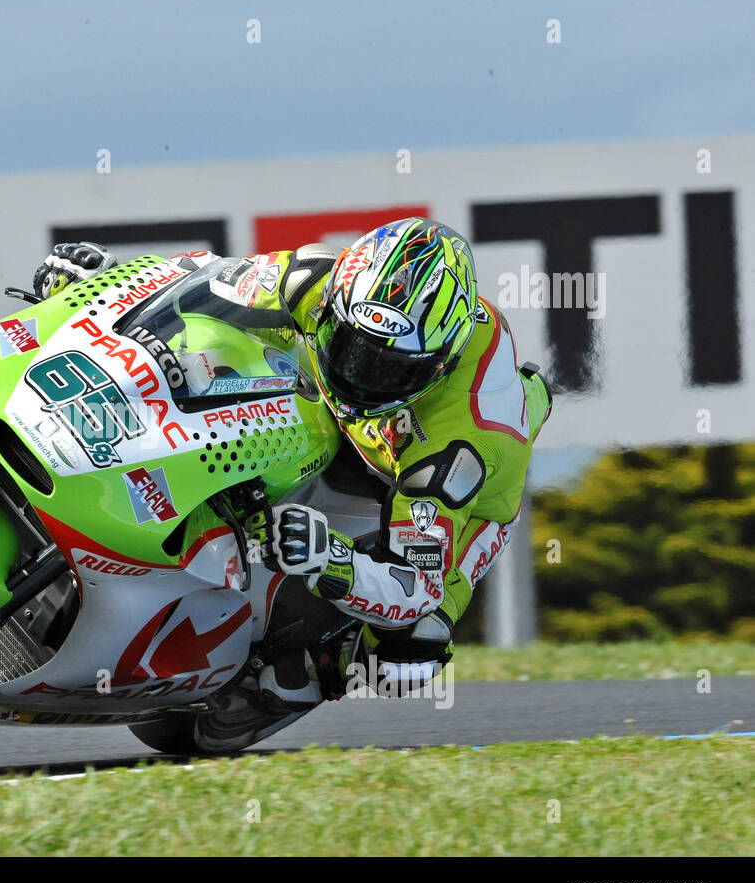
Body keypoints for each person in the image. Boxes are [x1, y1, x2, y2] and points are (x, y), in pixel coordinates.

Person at [30, 220, 552, 708]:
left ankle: (318, 664)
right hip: (341, 426)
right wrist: (100, 287)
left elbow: (414, 588)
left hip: (446, 496)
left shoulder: (459, 447)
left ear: (439, 365)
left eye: (386, 369)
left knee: (405, 654)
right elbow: (196, 278)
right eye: (349, 347)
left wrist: (331, 558)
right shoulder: (315, 280)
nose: (358, 375)